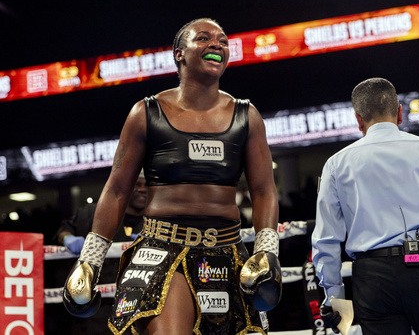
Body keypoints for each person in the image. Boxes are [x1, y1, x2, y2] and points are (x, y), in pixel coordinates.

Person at [62, 18, 281, 335]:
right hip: (163, 248)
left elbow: (263, 191)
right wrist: (90, 261)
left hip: (226, 248)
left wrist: (267, 251)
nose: (216, 44)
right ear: (179, 53)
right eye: (203, 38)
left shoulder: (247, 115)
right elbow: (117, 191)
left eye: (222, 40)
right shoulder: (146, 113)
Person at [312, 77, 419, 335]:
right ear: (400, 112)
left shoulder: (336, 164)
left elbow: (326, 238)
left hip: (372, 277)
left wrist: (334, 295)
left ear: (358, 119)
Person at [55, 173, 147, 334]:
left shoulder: (156, 220)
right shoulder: (95, 213)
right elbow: (64, 230)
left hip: (138, 305)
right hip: (97, 308)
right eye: (137, 185)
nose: (142, 190)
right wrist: (68, 239)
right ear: (126, 187)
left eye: (146, 185)